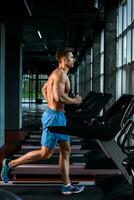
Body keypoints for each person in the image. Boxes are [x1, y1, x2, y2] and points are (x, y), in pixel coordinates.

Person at [1, 47, 85, 195]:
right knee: (45, 154)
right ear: (64, 60)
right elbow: (59, 98)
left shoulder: (57, 74)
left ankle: (67, 186)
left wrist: (51, 103)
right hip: (54, 118)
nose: (73, 60)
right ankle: (10, 163)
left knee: (66, 151)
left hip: (58, 116)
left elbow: (44, 89)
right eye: (71, 57)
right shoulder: (60, 75)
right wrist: (75, 101)